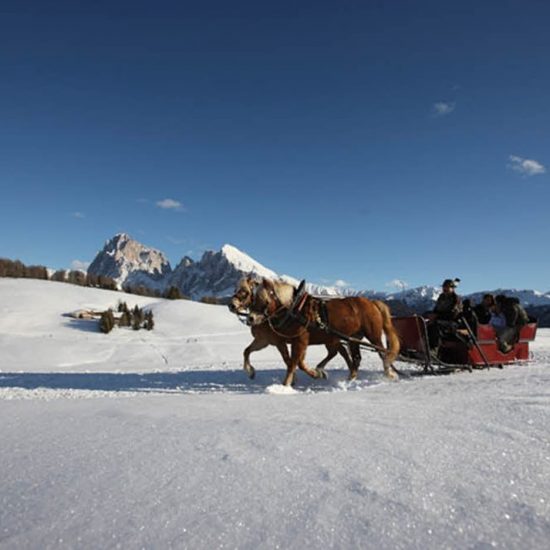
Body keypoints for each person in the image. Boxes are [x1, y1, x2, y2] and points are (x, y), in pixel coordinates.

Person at [428, 278, 463, 351]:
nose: (445, 288)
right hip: (441, 320)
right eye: (444, 287)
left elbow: (453, 315)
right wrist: (430, 315)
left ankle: (434, 349)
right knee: (425, 324)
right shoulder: (441, 297)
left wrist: (437, 316)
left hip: (453, 322)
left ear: (452, 288)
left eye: (447, 287)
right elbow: (436, 310)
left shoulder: (456, 299)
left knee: (435, 326)